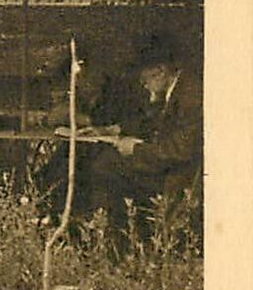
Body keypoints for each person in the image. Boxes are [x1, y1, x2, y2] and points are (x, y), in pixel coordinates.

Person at [80, 31, 202, 235]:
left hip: (180, 177)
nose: (144, 86)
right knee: (106, 162)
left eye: (145, 81)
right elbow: (150, 121)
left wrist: (136, 149)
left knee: (105, 166)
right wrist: (113, 130)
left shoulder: (190, 96)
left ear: (160, 70)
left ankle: (114, 236)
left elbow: (179, 151)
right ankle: (121, 232)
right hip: (170, 168)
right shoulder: (176, 88)